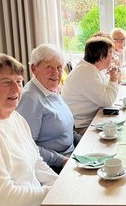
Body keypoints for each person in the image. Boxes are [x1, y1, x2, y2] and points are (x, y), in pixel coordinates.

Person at [0, 53, 57, 206]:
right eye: (7, 82)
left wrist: (61, 184)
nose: (16, 89)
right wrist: (52, 192)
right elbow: (3, 197)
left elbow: (36, 163)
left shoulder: (15, 117)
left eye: (19, 82)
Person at [16, 44, 80, 174]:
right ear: (34, 68)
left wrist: (85, 142)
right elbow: (28, 146)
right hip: (54, 167)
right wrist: (62, 160)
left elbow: (67, 131)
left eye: (59, 67)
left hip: (72, 156)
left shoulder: (50, 90)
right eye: (49, 67)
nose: (55, 73)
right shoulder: (30, 98)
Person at [61, 36, 120, 135]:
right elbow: (107, 101)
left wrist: (112, 77)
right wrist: (113, 78)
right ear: (102, 57)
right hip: (80, 127)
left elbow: (105, 89)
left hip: (90, 120)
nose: (113, 57)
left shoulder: (90, 68)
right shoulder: (86, 72)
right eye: (111, 53)